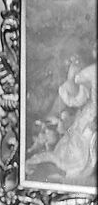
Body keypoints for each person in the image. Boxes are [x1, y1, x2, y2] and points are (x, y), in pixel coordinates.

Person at [27, 50, 97, 184]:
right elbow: (78, 98)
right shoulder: (90, 72)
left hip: (90, 123)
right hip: (88, 118)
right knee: (74, 144)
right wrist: (71, 78)